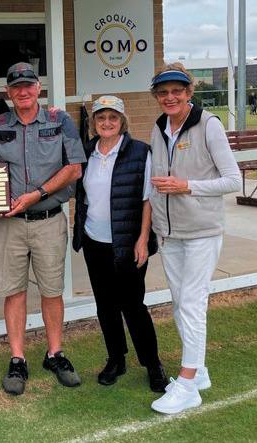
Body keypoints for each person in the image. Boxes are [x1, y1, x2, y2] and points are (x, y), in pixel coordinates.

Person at [0, 62, 86, 396]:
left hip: (48, 220)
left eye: (29, 85)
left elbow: (74, 168)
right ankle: (18, 358)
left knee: (52, 291)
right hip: (8, 225)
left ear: (38, 88)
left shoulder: (60, 121)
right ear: (8, 92)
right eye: (16, 87)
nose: (23, 91)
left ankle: (55, 354)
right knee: (13, 291)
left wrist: (36, 194)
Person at [147, 63, 241, 414]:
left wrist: (187, 186)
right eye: (163, 92)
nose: (170, 97)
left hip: (202, 231)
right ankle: (198, 372)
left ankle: (187, 386)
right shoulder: (158, 127)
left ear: (189, 92)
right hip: (170, 233)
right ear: (157, 96)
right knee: (180, 303)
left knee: (191, 303)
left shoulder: (209, 125)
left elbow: (233, 180)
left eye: (177, 91)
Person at [72, 95, 168, 393]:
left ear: (122, 121)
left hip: (128, 243)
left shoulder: (140, 152)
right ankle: (116, 359)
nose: (107, 123)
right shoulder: (86, 152)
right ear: (93, 122)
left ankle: (152, 364)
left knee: (133, 305)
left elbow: (147, 199)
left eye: (113, 117)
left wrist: (143, 239)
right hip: (94, 241)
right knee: (105, 305)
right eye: (101, 118)